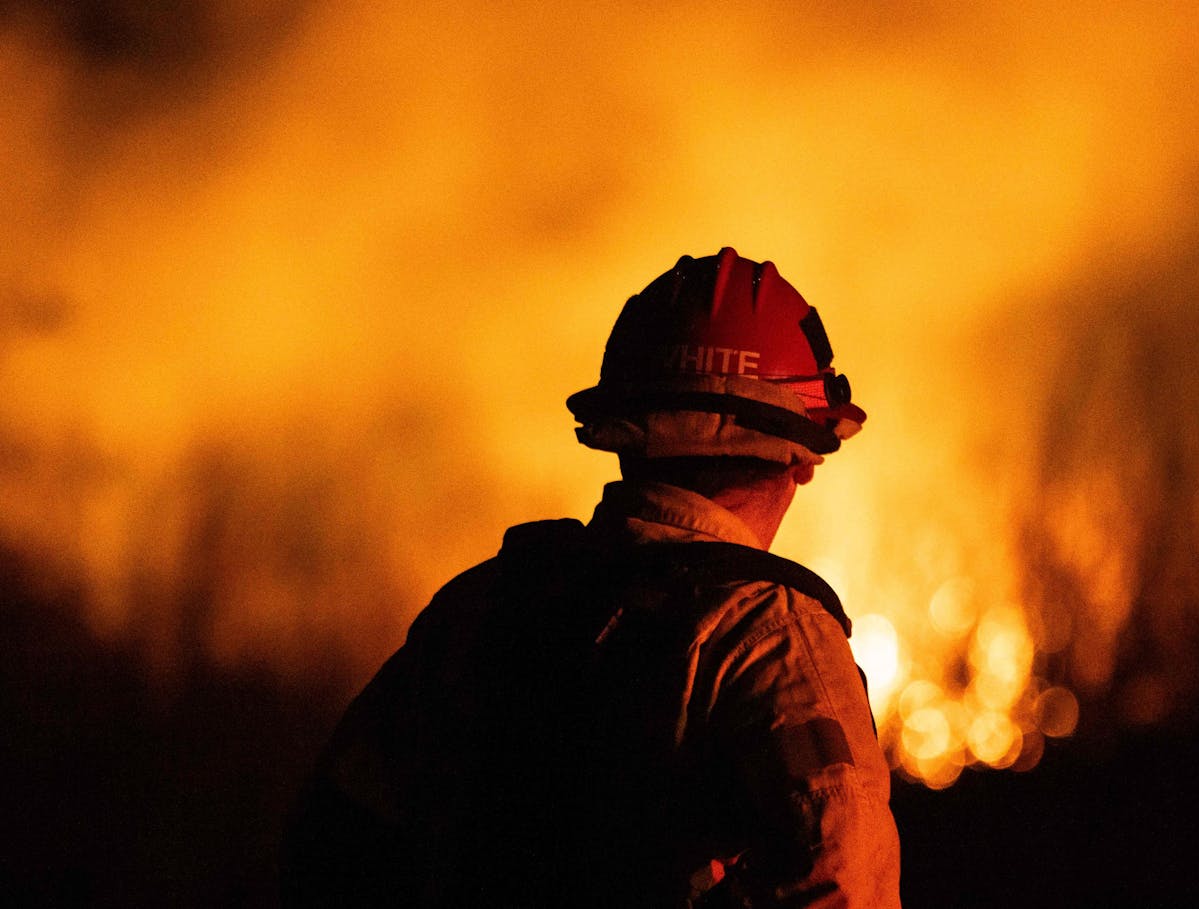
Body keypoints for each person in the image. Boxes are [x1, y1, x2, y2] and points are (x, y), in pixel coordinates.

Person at [282, 248, 902, 907]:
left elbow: (331, 839)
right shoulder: (773, 636)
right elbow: (845, 881)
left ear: (625, 435)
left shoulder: (481, 607)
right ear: (798, 456)